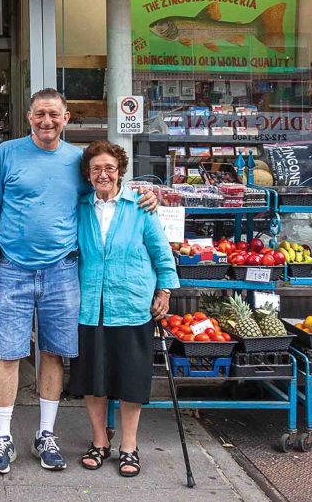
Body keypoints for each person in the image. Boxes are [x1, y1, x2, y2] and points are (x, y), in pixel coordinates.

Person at [0, 88, 157, 475]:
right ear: (29, 117)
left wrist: (147, 193)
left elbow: (109, 187)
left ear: (66, 118)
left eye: (54, 115)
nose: (46, 121)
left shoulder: (78, 160)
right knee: (8, 355)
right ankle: (3, 438)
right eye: (40, 114)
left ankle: (46, 434)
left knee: (53, 354)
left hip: (62, 271)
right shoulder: (7, 153)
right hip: (11, 269)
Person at [68, 140, 178, 477]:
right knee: (92, 378)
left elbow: (161, 253)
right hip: (90, 306)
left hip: (131, 303)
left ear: (120, 172)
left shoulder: (140, 208)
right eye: (96, 169)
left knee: (131, 379)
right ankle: (99, 440)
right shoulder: (80, 208)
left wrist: (165, 290)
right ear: (87, 175)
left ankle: (128, 446)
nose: (103, 174)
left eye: (109, 168)